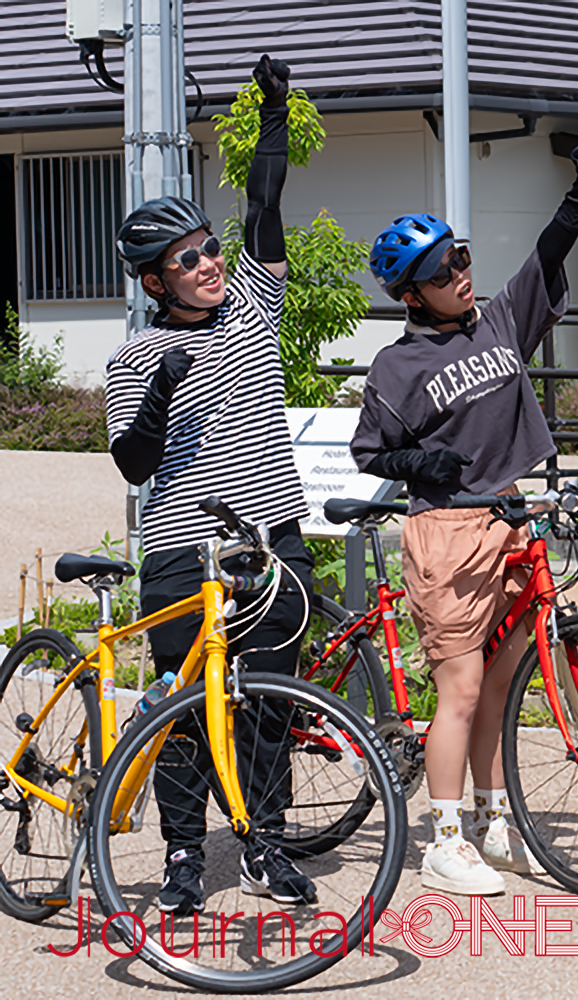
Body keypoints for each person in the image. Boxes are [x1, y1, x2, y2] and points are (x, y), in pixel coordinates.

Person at [350, 140, 578, 895]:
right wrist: (414, 464)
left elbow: (545, 255)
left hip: (509, 520)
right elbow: (371, 452)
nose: (460, 276)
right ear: (410, 294)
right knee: (460, 690)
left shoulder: (496, 324)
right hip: (448, 534)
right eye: (441, 274)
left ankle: (495, 820)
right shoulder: (396, 369)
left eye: (458, 260)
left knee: (500, 687)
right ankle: (444, 839)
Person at [107, 55, 317, 915]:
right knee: (189, 712)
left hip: (270, 539)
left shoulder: (254, 304)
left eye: (208, 247)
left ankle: (265, 844)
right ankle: (185, 857)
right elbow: (132, 461)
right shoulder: (135, 355)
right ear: (156, 280)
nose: (209, 261)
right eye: (187, 259)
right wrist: (163, 381)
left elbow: (264, 203)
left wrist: (273, 111)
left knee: (268, 705)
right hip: (182, 550)